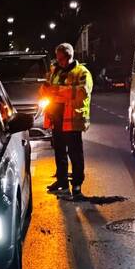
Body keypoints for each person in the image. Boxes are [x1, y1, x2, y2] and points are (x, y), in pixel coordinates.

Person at [41, 42, 92, 199]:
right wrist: (45, 90)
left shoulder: (82, 72)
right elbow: (46, 88)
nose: (58, 61)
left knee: (75, 154)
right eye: (57, 58)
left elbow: (81, 92)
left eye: (61, 58)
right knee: (59, 152)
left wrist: (56, 91)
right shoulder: (55, 71)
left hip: (72, 120)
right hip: (57, 119)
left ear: (69, 57)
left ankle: (77, 185)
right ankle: (62, 181)